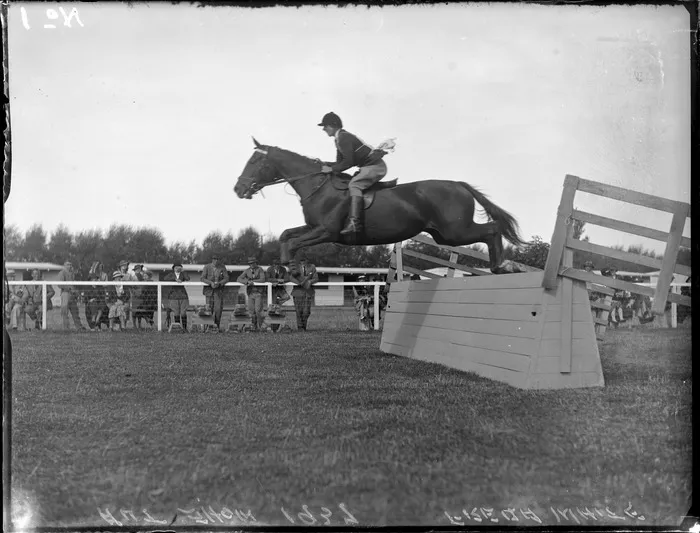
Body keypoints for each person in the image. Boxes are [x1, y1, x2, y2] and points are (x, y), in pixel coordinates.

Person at [317, 111, 389, 237]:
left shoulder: (344, 138)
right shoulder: (339, 139)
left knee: (354, 185)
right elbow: (339, 163)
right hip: (368, 166)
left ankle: (355, 222)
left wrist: (331, 169)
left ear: (333, 125)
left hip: (375, 166)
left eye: (325, 126)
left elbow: (348, 162)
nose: (324, 129)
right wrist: (323, 164)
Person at [201, 254, 230, 331]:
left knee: (218, 309)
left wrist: (219, 283)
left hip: (218, 291)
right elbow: (202, 278)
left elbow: (226, 278)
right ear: (212, 259)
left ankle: (217, 326)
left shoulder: (222, 267)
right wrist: (210, 283)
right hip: (209, 291)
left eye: (217, 259)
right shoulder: (206, 267)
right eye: (214, 259)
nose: (216, 260)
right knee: (208, 309)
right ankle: (208, 326)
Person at [289, 255, 318, 331]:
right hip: (297, 291)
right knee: (299, 311)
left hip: (308, 292)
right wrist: (299, 282)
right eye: (301, 260)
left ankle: (303, 325)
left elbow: (316, 278)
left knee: (306, 311)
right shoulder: (295, 267)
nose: (303, 262)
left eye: (304, 260)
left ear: (307, 260)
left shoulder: (312, 267)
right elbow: (291, 278)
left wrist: (309, 281)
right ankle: (300, 327)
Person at [237, 257, 267, 331]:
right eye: (250, 263)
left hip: (258, 293)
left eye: (253, 263)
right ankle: (253, 326)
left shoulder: (260, 269)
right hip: (250, 293)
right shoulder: (247, 271)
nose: (252, 264)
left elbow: (263, 279)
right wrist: (247, 282)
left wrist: (253, 282)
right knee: (251, 310)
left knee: (258, 310)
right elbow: (239, 278)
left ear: (256, 263)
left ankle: (261, 326)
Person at [56, 260, 85, 330]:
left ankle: (79, 327)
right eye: (68, 264)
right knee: (64, 311)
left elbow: (74, 285)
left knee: (75, 311)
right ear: (64, 265)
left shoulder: (72, 274)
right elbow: (59, 284)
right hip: (65, 293)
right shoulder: (62, 273)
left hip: (72, 295)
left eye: (70, 264)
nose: (70, 266)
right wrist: (69, 288)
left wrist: (76, 292)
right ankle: (66, 328)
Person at [163, 262, 190, 331]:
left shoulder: (183, 274)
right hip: (173, 295)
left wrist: (183, 271)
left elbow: (188, 278)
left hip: (183, 295)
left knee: (183, 312)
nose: (178, 268)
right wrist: (175, 279)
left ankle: (184, 328)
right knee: (176, 312)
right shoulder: (171, 274)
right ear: (173, 268)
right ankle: (178, 328)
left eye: (179, 267)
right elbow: (165, 278)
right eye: (176, 267)